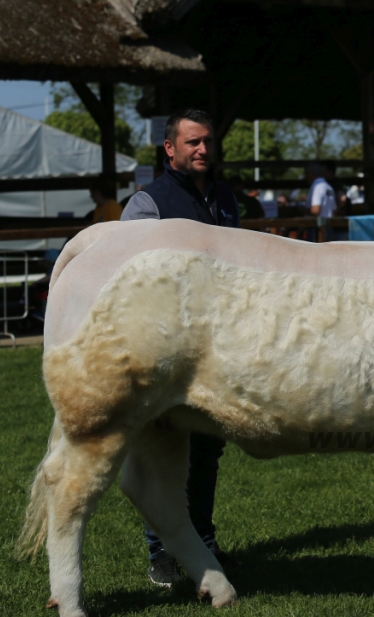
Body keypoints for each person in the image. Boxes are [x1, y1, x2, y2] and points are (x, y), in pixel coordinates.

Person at [121, 108, 240, 586]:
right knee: (164, 450)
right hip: (165, 346)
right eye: (192, 142)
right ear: (168, 149)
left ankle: (203, 541)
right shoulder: (147, 204)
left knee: (209, 448)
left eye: (207, 141)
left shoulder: (226, 199)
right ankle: (163, 553)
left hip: (217, 344)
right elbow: (130, 279)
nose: (203, 150)